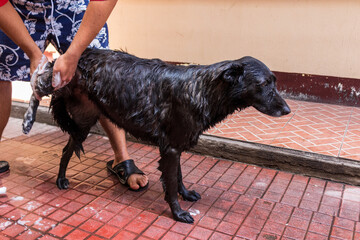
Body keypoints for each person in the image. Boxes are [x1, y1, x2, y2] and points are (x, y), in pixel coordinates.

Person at [0, 0, 148, 191]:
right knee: (1, 73)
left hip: (73, 4)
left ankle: (122, 157)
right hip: (18, 7)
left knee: (100, 74)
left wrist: (73, 54)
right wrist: (33, 53)